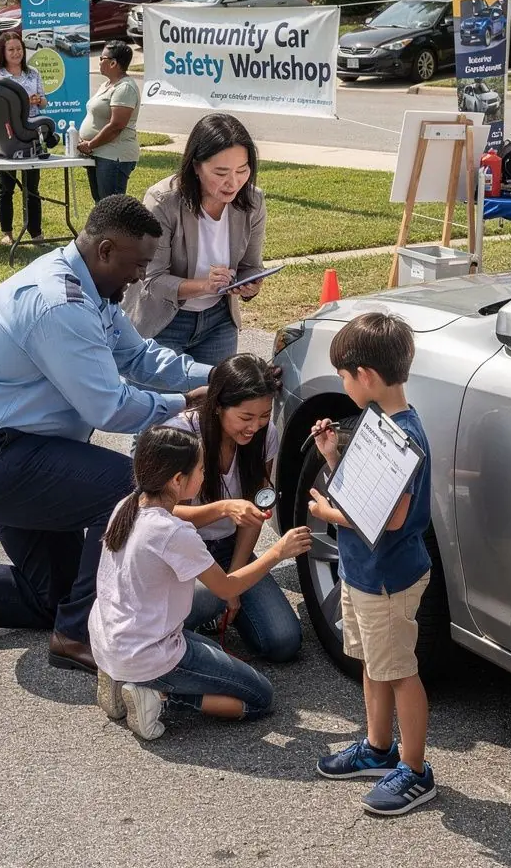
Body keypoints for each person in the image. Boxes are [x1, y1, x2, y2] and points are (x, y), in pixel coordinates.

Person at [0, 195, 213, 673]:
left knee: (57, 594)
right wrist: (185, 403)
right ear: (106, 250)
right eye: (137, 265)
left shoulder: (90, 287)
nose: (139, 277)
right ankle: (76, 637)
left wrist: (215, 377)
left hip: (12, 452)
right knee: (129, 488)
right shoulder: (60, 305)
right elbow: (109, 407)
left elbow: (139, 358)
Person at [89, 424, 312, 740]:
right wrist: (278, 552)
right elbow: (227, 588)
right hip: (147, 653)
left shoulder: (127, 506)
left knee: (211, 645)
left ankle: (120, 678)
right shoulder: (173, 533)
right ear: (177, 480)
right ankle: (158, 696)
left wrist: (224, 508)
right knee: (260, 697)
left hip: (110, 639)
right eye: (201, 470)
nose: (205, 476)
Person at [307, 312, 436, 817]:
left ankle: (415, 770)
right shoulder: (378, 422)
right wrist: (332, 457)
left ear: (364, 374)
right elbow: (367, 491)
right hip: (362, 572)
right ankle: (378, 748)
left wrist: (327, 514)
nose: (342, 384)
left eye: (343, 375)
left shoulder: (403, 438)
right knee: (373, 664)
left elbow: (389, 517)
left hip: (387, 580)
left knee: (400, 672)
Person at [166, 354, 303, 662]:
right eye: (246, 417)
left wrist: (236, 580)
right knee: (204, 602)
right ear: (218, 405)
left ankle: (203, 616)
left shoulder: (266, 435)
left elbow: (256, 510)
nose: (255, 426)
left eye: (264, 415)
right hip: (181, 548)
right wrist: (224, 509)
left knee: (283, 640)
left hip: (228, 547)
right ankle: (177, 633)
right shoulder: (183, 436)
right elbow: (162, 516)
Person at [124, 113, 266, 364]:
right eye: (221, 172)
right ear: (196, 166)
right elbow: (152, 279)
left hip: (219, 320)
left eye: (242, 170)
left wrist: (250, 285)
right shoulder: (162, 201)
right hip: (162, 321)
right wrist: (205, 286)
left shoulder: (253, 200)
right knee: (164, 390)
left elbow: (251, 266)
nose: (233, 182)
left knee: (216, 389)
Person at [0, 31, 47, 245]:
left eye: (19, 49)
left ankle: (36, 232)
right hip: (7, 135)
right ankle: (7, 232)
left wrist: (38, 100)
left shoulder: (33, 73)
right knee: (6, 186)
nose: (16, 53)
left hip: (32, 134)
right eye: (11, 49)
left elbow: (44, 102)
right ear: (3, 52)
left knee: (32, 187)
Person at [77, 40, 141, 201]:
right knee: (101, 204)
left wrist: (90, 145)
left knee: (111, 207)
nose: (99, 61)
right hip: (98, 153)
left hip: (114, 155)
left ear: (113, 63)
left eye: (102, 58)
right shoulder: (107, 85)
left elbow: (116, 126)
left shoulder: (125, 88)